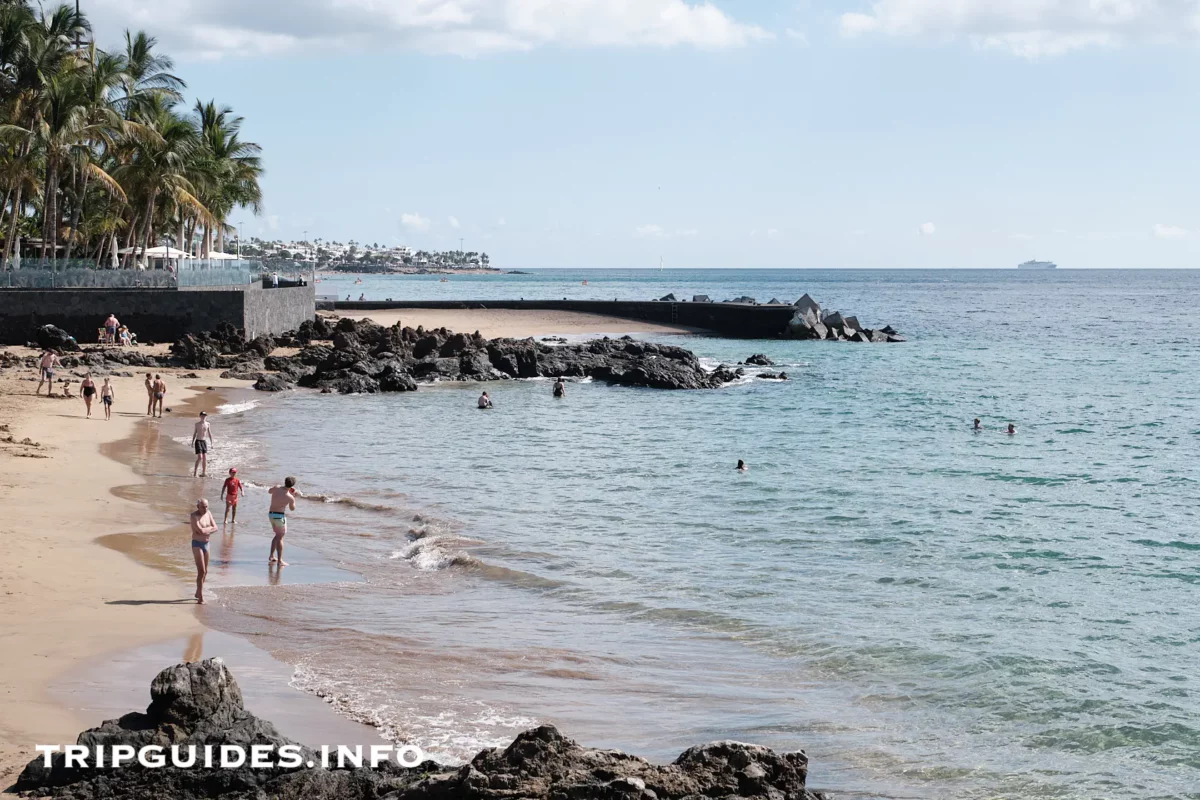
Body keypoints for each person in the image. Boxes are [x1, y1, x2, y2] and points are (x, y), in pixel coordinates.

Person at [189, 498, 218, 604]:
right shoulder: (194, 516)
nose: (205, 509)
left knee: (205, 571)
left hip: (207, 544)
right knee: (201, 571)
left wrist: (206, 530)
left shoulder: (208, 513)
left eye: (206, 507)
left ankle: (198, 591)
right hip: (197, 544)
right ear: (198, 507)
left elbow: (216, 527)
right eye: (203, 507)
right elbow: (200, 531)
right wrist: (208, 529)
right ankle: (200, 597)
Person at [267, 477, 298, 566]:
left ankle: (272, 556)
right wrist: (293, 496)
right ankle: (280, 560)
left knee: (277, 535)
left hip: (271, 514)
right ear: (292, 486)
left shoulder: (277, 487)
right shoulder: (290, 497)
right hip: (279, 516)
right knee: (280, 537)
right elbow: (292, 509)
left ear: (284, 482)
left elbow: (269, 491)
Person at [192, 411, 213, 477]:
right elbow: (195, 433)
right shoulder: (197, 424)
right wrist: (192, 442)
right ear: (200, 416)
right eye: (202, 415)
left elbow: (209, 434)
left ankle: (203, 473)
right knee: (200, 457)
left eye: (205, 415)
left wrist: (212, 443)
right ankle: (195, 472)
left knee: (205, 458)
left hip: (204, 442)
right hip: (198, 441)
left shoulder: (208, 424)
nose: (203, 417)